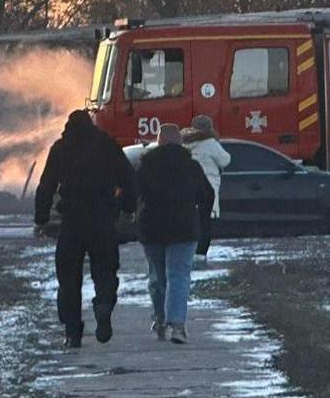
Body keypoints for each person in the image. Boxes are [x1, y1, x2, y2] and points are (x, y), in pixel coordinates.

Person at [35, 110, 136, 349]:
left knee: (68, 278)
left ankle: (72, 331)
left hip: (72, 221)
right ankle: (103, 306)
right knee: (105, 270)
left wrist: (41, 219)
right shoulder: (107, 145)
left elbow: (46, 184)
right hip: (103, 220)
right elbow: (129, 179)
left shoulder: (61, 148)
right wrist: (126, 206)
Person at [136, 124, 214, 344]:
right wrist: (199, 214)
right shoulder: (191, 166)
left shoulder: (146, 165)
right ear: (181, 142)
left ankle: (160, 319)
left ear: (158, 142)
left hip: (152, 228)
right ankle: (177, 326)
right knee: (179, 275)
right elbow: (207, 194)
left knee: (157, 277)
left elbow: (136, 193)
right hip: (184, 227)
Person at [182, 115, 230, 262]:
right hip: (207, 186)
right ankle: (200, 254)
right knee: (205, 222)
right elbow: (225, 159)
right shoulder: (210, 143)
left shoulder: (183, 142)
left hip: (187, 187)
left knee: (189, 221)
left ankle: (188, 251)